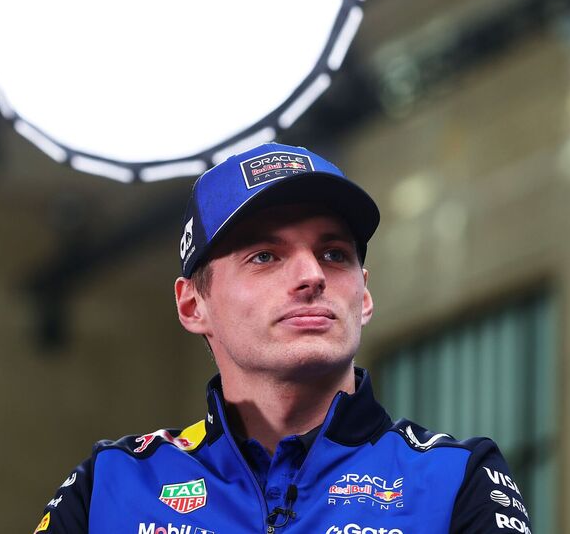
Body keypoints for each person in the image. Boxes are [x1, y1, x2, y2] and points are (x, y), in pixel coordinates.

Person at [31, 143, 533, 534]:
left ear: (364, 296)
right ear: (193, 305)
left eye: (334, 254)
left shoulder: (455, 478)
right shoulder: (111, 485)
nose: (312, 276)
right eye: (265, 256)